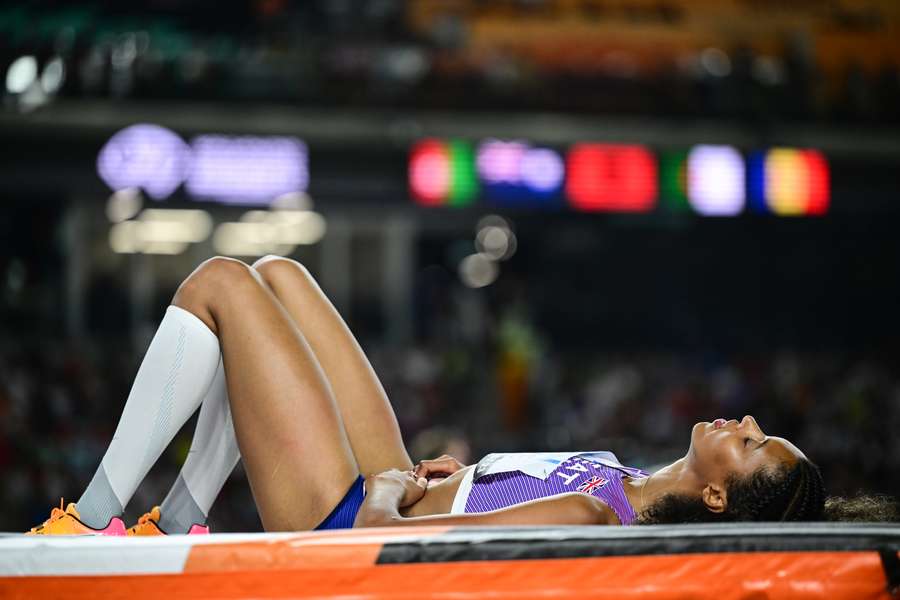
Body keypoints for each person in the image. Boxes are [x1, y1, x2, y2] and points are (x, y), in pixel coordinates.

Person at [27, 256, 826, 536]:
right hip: (406, 488)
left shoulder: (599, 515)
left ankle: (88, 519)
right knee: (280, 276)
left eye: (753, 442)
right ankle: (175, 523)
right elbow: (478, 518)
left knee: (221, 287)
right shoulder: (619, 479)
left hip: (348, 522)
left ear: (717, 494)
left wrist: (384, 491)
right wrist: (462, 479)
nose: (748, 422)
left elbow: (396, 561)